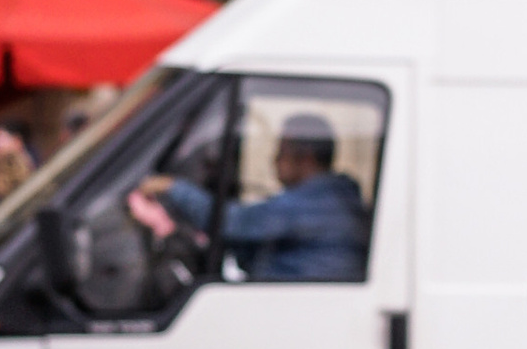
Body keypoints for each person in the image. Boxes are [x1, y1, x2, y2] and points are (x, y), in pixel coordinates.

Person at [128, 110, 367, 283]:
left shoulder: (315, 203)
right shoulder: (331, 198)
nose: (274, 161)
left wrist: (171, 187)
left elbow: (232, 222)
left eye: (280, 151)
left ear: (305, 158)